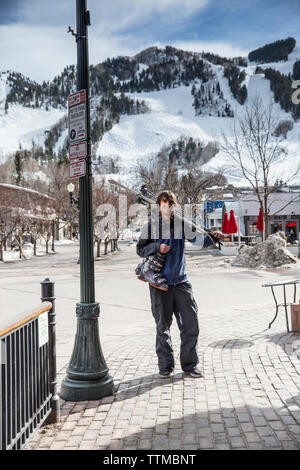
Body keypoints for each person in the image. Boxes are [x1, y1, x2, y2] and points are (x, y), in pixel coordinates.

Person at [136, 190, 224, 379]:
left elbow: (199, 241)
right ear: (159, 205)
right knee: (163, 327)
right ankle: (166, 367)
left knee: (191, 325)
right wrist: (156, 247)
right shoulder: (150, 227)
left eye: (170, 203)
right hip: (160, 284)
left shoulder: (182, 225)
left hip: (181, 282)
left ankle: (190, 366)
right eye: (163, 202)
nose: (166, 205)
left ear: (174, 205)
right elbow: (140, 250)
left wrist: (213, 237)